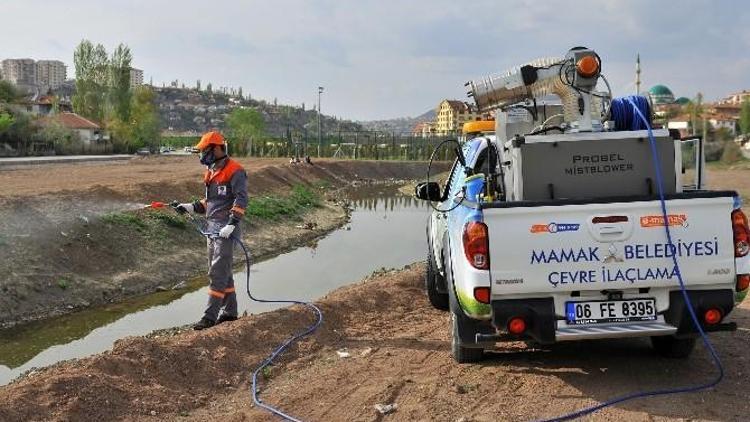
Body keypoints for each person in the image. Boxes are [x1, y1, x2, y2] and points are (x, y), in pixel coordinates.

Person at [174, 131, 248, 330]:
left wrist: (231, 223)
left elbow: (241, 199)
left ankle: (209, 317)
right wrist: (190, 207)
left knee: (217, 273)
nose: (202, 155)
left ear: (216, 148)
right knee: (223, 273)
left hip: (226, 229)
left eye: (204, 150)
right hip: (212, 228)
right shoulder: (211, 171)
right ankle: (230, 312)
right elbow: (211, 202)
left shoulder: (235, 170)